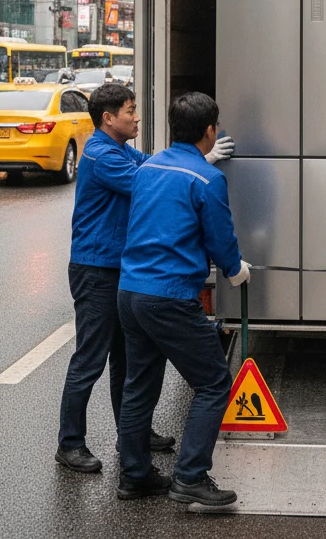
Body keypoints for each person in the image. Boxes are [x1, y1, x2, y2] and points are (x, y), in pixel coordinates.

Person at [56, 84, 234, 474]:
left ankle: (131, 435)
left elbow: (153, 164)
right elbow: (149, 179)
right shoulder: (102, 154)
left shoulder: (122, 149)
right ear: (108, 118)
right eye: (130, 111)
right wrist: (200, 165)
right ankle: (70, 443)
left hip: (121, 268)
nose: (137, 117)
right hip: (96, 267)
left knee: (125, 360)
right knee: (90, 359)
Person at [116, 92, 249, 506]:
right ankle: (190, 476)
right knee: (213, 382)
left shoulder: (147, 167)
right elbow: (219, 237)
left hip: (130, 292)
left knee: (139, 386)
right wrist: (234, 270)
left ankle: (135, 475)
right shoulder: (208, 179)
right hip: (169, 298)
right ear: (210, 131)